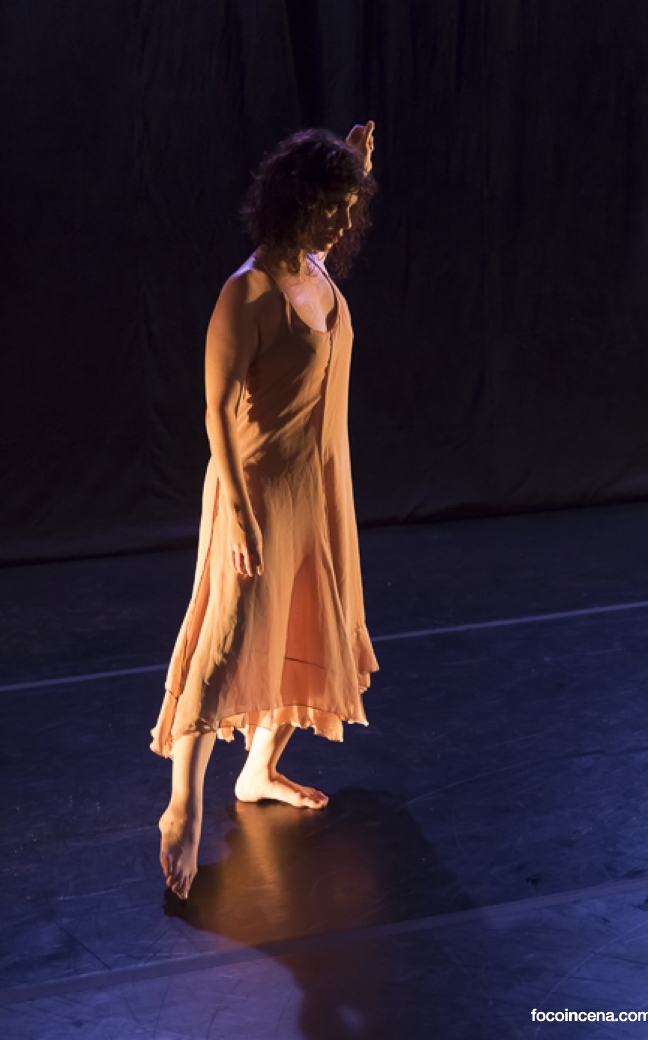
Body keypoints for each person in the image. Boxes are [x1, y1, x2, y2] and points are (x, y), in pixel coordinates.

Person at [151, 121, 379, 900]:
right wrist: (243, 518)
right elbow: (216, 411)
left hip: (319, 489)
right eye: (331, 208)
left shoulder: (313, 268)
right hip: (257, 492)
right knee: (229, 640)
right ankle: (183, 806)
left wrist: (354, 166)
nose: (343, 224)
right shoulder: (247, 293)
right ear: (296, 203)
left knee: (309, 622)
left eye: (350, 209)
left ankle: (258, 771)